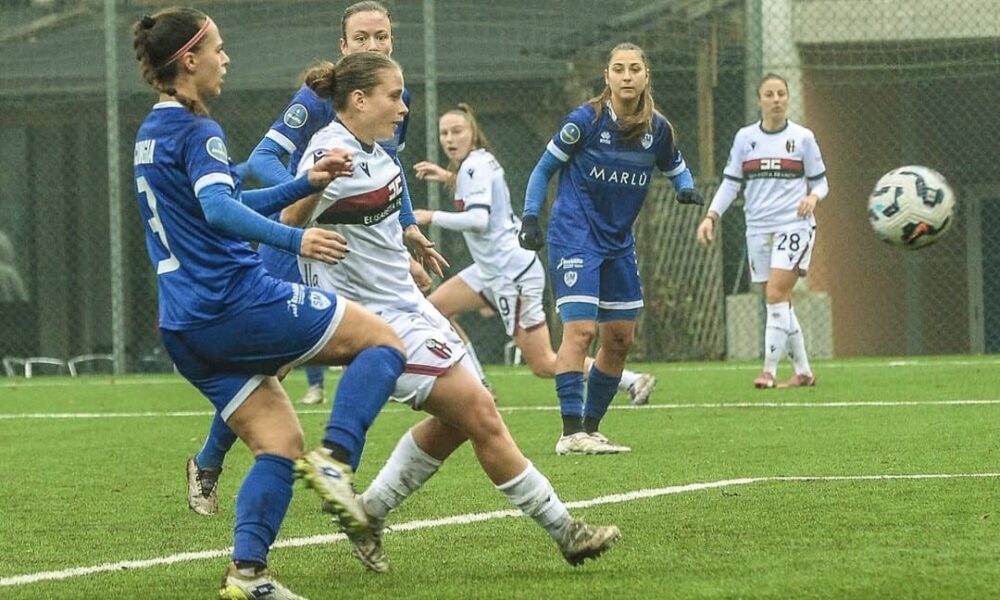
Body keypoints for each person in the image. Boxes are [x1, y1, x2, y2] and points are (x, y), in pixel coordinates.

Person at [284, 53, 620, 573]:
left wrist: (408, 250)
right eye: (394, 97)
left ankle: (369, 512)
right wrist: (314, 187)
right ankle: (566, 530)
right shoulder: (330, 149)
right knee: (480, 411)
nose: (403, 108)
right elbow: (290, 220)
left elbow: (371, 223)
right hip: (374, 321)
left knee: (462, 417)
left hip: (407, 304)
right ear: (359, 100)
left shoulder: (380, 152)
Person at [132, 10, 416, 598]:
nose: (226, 59)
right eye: (218, 48)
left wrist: (306, 184)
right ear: (189, 60)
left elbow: (227, 199)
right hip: (235, 303)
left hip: (183, 323)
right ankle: (337, 459)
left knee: (279, 444)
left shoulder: (151, 131)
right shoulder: (199, 131)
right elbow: (220, 212)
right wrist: (296, 238)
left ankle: (248, 575)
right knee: (384, 341)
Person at [184, 0, 460, 519]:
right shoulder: (318, 98)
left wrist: (406, 229)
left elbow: (388, 167)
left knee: (374, 344)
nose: (373, 45)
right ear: (343, 46)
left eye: (381, 36)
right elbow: (262, 158)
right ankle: (208, 461)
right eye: (362, 38)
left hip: (351, 248)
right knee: (272, 364)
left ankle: (340, 466)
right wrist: (307, 190)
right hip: (296, 242)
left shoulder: (393, 96)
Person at [411, 103, 658, 416]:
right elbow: (479, 189)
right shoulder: (476, 163)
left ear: (473, 133)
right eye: (444, 133)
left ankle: (631, 380)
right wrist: (448, 176)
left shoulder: (474, 166)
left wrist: (430, 215)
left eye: (457, 131)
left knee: (543, 363)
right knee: (434, 309)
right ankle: (479, 386)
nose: (449, 138)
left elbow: (478, 220)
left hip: (511, 271)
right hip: (491, 268)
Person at [518, 43, 704, 456]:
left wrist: (685, 188)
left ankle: (590, 428)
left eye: (634, 68)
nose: (626, 76)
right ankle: (570, 433)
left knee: (620, 338)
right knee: (581, 331)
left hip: (618, 241)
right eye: (618, 69)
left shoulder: (657, 128)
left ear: (646, 75)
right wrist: (530, 217)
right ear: (607, 77)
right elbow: (543, 169)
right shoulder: (585, 121)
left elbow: (674, 163)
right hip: (575, 234)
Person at [696, 72, 828, 389]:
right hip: (757, 227)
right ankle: (804, 371)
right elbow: (731, 184)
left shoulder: (803, 138)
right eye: (769, 94)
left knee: (775, 294)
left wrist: (812, 197)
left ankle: (768, 371)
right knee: (780, 300)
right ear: (759, 100)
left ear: (788, 98)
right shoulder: (745, 139)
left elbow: (821, 182)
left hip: (794, 225)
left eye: (781, 93)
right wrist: (711, 216)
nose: (776, 100)